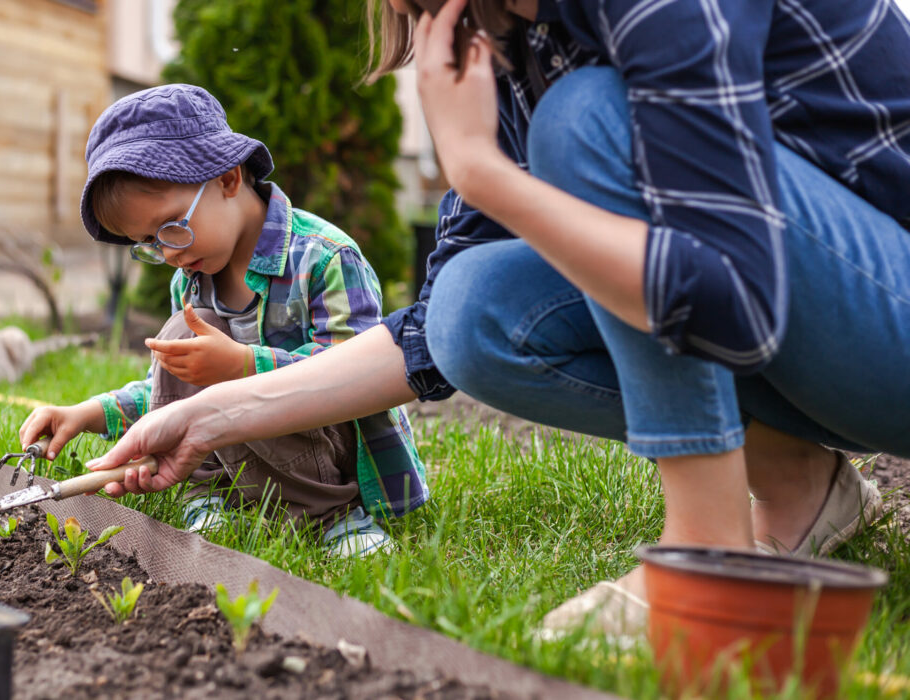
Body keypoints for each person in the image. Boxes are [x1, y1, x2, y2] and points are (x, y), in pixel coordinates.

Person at [82, 0, 910, 638]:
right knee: (476, 310)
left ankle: (707, 554)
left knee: (588, 119)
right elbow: (433, 334)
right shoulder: (513, 41)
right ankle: (800, 485)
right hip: (829, 340)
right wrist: (206, 417)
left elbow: (738, 296)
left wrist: (481, 170)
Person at [18, 84, 428, 558]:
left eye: (171, 226)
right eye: (149, 242)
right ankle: (211, 493)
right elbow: (170, 385)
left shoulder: (324, 258)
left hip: (333, 461)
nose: (169, 253)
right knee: (177, 335)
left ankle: (332, 516)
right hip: (244, 459)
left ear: (229, 179)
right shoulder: (192, 277)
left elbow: (357, 374)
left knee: (261, 375)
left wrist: (241, 366)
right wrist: (87, 414)